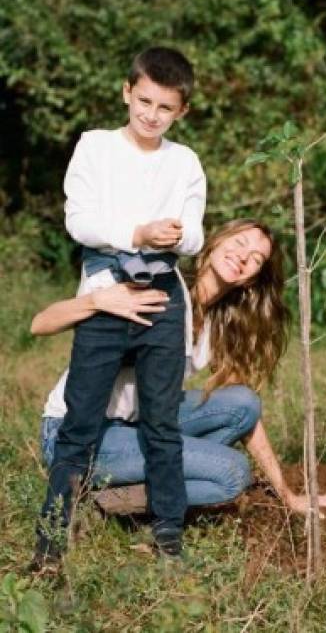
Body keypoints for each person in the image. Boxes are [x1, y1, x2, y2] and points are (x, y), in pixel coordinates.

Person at [32, 220, 326, 571]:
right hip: (79, 433)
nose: (243, 257)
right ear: (213, 243)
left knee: (243, 403)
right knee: (232, 474)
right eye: (239, 243)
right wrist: (97, 299)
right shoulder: (157, 282)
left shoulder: (218, 322)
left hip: (140, 424)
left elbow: (246, 420)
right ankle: (103, 503)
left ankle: (123, 489)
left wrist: (287, 494)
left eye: (256, 258)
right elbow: (40, 323)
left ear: (253, 278)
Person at [35, 46, 207, 565]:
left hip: (161, 292)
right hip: (107, 291)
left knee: (162, 421)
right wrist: (136, 231)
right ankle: (50, 543)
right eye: (144, 101)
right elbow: (81, 221)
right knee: (81, 420)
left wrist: (173, 234)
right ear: (127, 92)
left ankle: (168, 536)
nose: (151, 115)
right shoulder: (95, 147)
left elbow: (195, 233)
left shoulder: (185, 162)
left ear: (182, 112)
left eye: (165, 108)